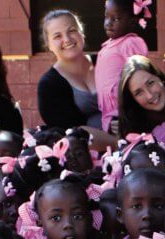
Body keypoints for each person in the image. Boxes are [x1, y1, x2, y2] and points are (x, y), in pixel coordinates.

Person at [38, 10, 113, 149]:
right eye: (57, 36)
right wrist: (117, 142)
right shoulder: (49, 85)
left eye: (72, 30)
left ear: (81, 32)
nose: (67, 39)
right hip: (88, 157)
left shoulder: (106, 60)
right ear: (48, 44)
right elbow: (70, 134)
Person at [96, 0, 151, 132]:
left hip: (126, 111)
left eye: (115, 19)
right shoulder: (107, 46)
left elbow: (140, 75)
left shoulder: (130, 43)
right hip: (109, 113)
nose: (108, 23)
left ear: (132, 22)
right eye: (106, 17)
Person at [116, 56, 165, 138]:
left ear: (160, 77)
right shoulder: (134, 125)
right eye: (139, 93)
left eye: (150, 83)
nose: (150, 95)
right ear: (133, 99)